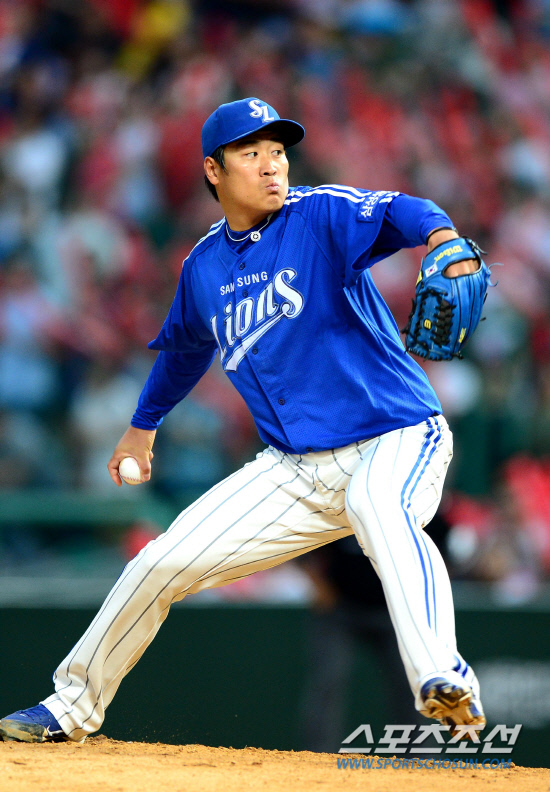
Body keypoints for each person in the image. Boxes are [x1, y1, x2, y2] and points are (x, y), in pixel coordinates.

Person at [0, 97, 485, 744]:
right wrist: (142, 426)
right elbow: (184, 351)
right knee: (159, 562)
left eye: (278, 151)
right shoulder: (203, 265)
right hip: (295, 470)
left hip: (394, 435)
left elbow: (403, 210)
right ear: (213, 170)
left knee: (378, 508)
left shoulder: (319, 214)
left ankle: (444, 678)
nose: (271, 164)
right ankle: (70, 707)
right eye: (251, 153)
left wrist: (445, 240)